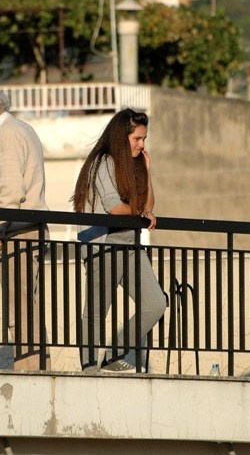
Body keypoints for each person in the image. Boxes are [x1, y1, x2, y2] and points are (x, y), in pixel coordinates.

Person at [71, 108, 166, 373]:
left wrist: (147, 170)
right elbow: (114, 207)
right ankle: (90, 368)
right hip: (105, 242)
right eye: (137, 139)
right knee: (97, 311)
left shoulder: (134, 164)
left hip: (130, 243)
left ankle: (113, 355)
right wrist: (139, 211)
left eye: (144, 139)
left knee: (156, 303)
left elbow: (148, 205)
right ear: (121, 137)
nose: (142, 144)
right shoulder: (104, 162)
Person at [0, 85, 50, 371]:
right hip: (22, 231)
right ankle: (37, 369)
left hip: (17, 234)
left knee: (21, 312)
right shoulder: (16, 130)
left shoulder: (8, 134)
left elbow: (12, 190)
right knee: (28, 308)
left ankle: (31, 374)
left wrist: (0, 229)